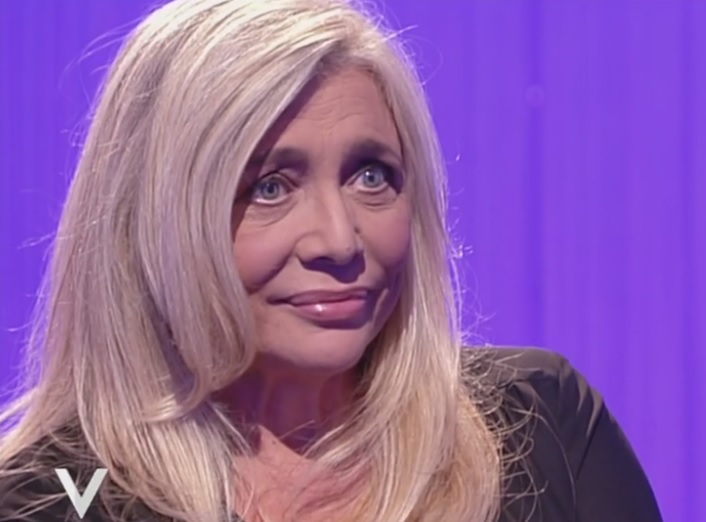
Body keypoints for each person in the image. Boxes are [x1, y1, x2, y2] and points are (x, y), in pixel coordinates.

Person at [0, 0, 662, 521]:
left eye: (371, 177)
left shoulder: (541, 429)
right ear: (155, 223)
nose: (340, 241)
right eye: (270, 187)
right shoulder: (54, 498)